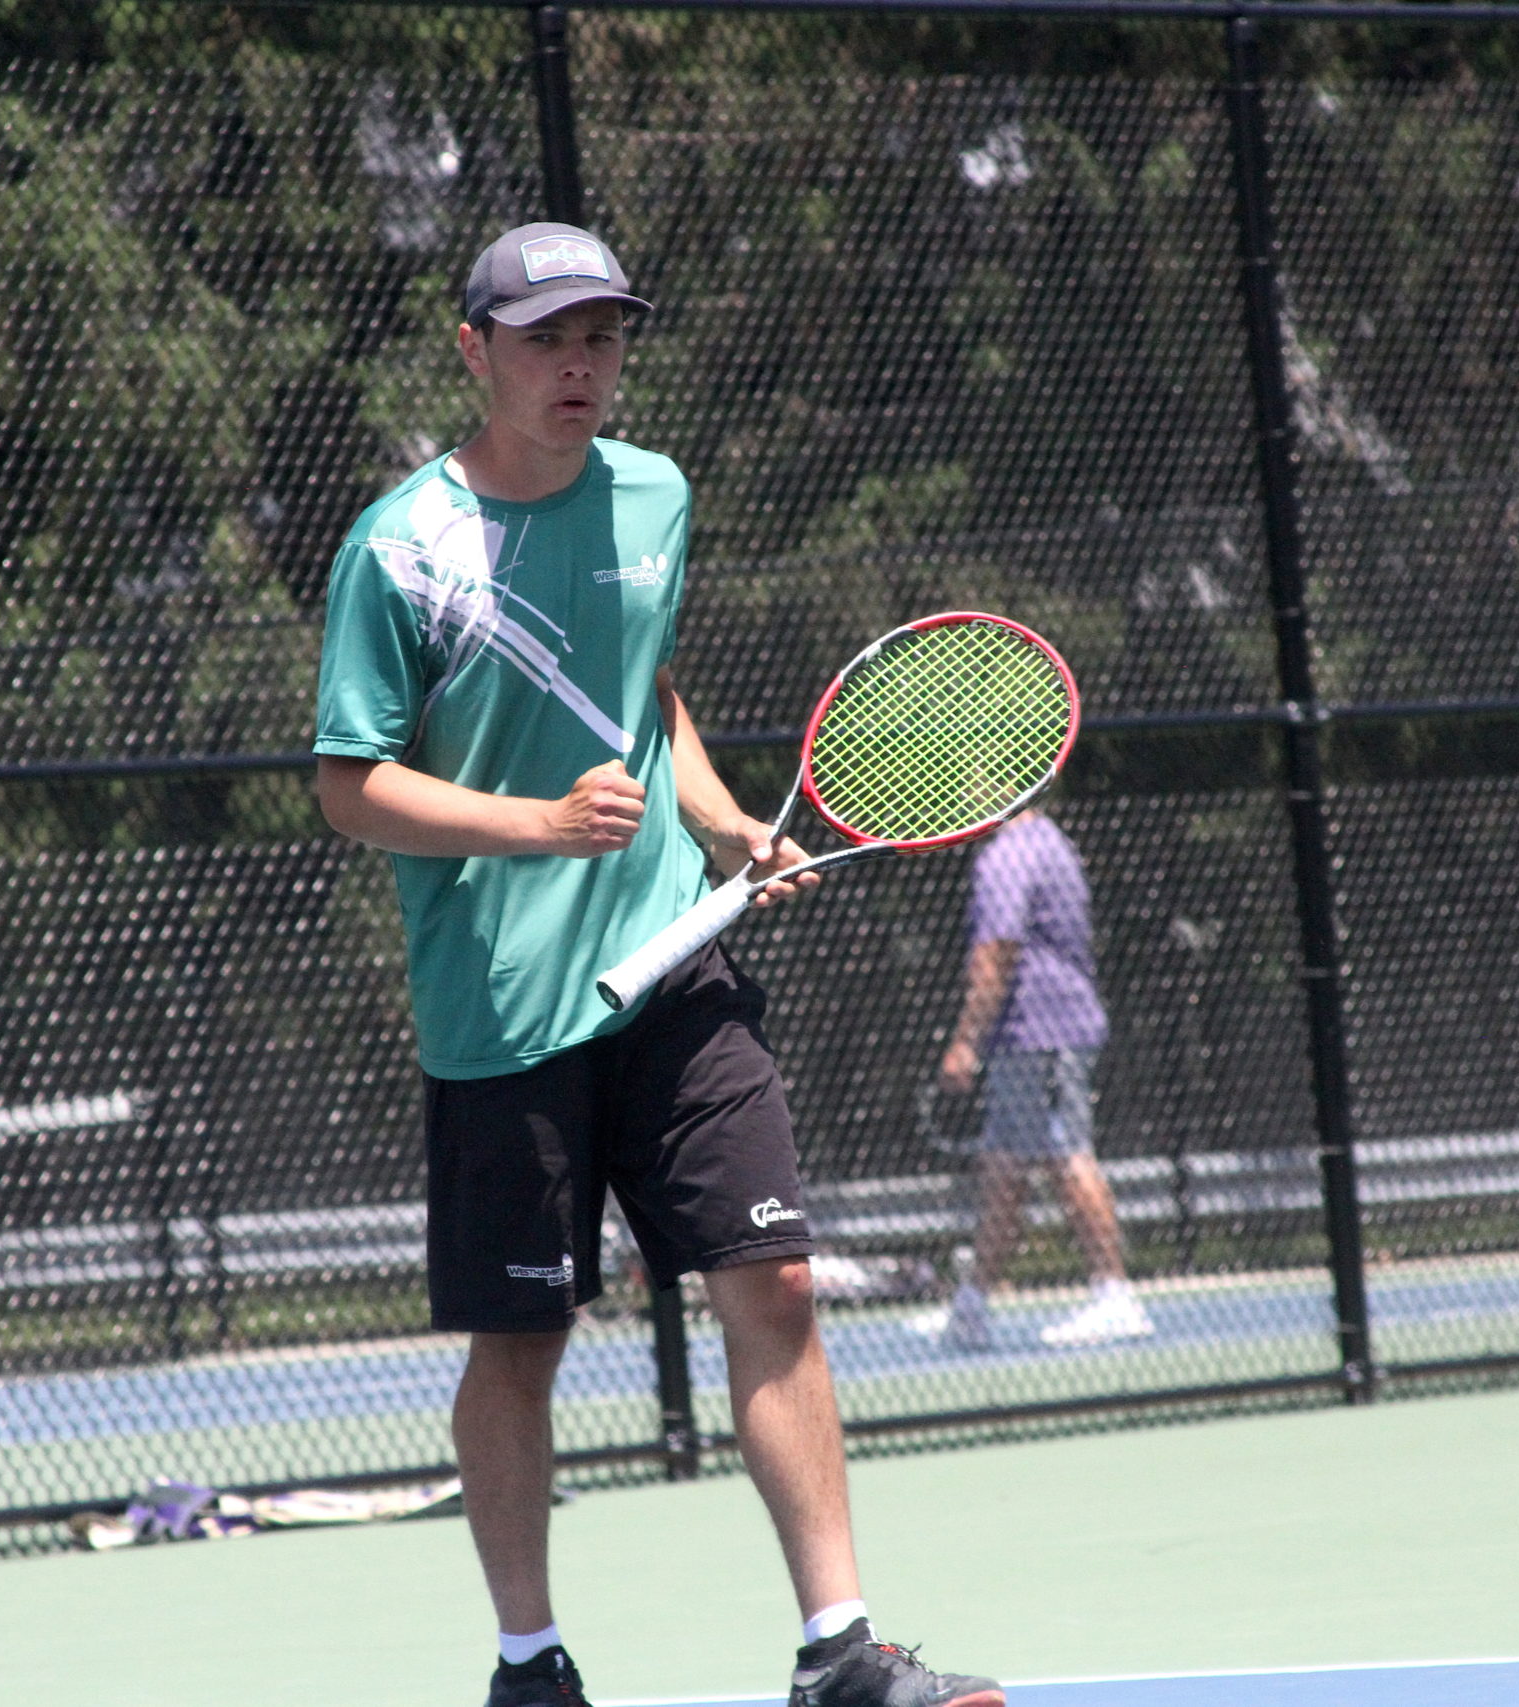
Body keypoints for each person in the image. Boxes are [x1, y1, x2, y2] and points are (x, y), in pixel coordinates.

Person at [312, 223, 1005, 1707]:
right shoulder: (399, 549)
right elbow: (346, 782)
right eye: (550, 336)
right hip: (502, 1011)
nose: (581, 363)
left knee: (777, 1277)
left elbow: (645, 687)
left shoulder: (656, 495)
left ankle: (841, 1652)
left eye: (605, 337)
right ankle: (529, 1662)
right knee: (521, 1340)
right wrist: (538, 825)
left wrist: (728, 820)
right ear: (475, 352)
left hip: (677, 978)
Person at [931, 808, 1152, 1351]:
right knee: (1005, 1166)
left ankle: (1114, 1296)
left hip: (1041, 1033)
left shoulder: (1007, 856)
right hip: (1028, 1038)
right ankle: (972, 1307)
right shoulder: (1048, 839)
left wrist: (965, 1042)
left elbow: (995, 955)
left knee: (1066, 1155)